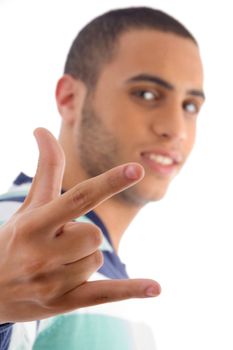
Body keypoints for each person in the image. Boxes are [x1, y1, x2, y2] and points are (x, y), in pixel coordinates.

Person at [0, 6, 205, 350]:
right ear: (70, 98)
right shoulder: (17, 240)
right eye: (147, 94)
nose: (175, 129)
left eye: (190, 106)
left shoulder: (115, 280)